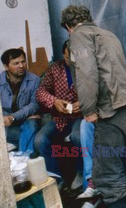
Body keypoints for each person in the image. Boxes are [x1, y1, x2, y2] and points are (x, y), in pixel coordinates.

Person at [61, 5, 126, 208]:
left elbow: (87, 74)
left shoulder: (79, 36)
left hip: (112, 111)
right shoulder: (108, 34)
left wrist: (88, 110)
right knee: (122, 163)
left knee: (108, 173)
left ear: (68, 26)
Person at [34, 40, 83, 187]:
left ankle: (81, 172)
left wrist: (85, 103)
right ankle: (56, 178)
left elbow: (100, 92)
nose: (72, 61)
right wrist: (54, 101)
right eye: (68, 57)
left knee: (78, 136)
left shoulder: (87, 69)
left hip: (82, 116)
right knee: (39, 140)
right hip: (60, 117)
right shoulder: (55, 69)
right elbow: (40, 92)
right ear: (63, 54)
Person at [1, 48, 40, 153]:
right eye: (16, 63)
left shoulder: (34, 80)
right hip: (5, 122)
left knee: (31, 125)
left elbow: (34, 105)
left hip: (26, 120)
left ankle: (24, 159)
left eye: (23, 61)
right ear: (6, 66)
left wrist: (13, 117)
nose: (21, 66)